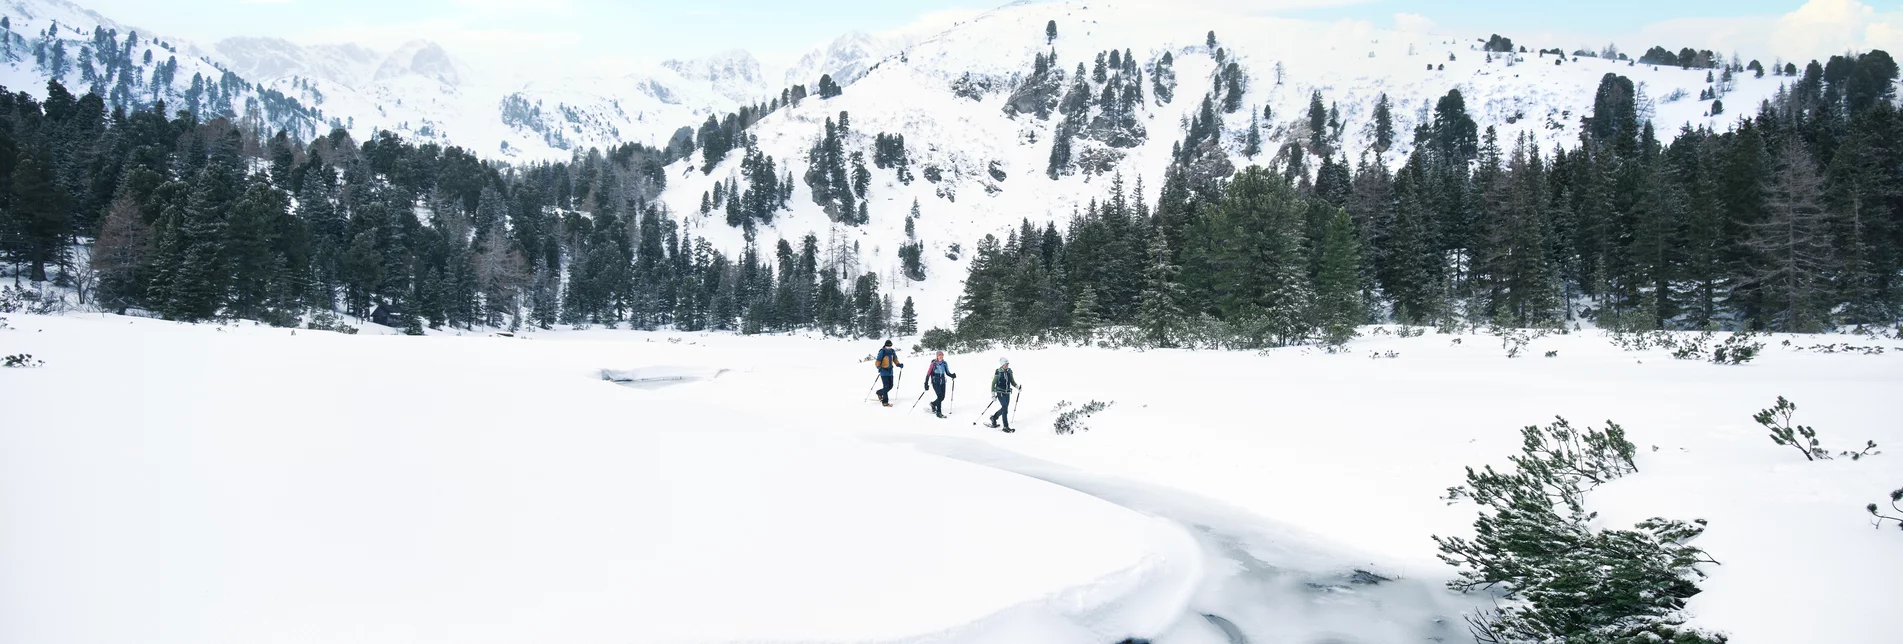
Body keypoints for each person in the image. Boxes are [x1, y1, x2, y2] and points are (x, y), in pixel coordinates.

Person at [987, 357, 1020, 432]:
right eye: (1005, 364)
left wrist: (1017, 387)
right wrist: (993, 394)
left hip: (1007, 392)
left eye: (1007, 364)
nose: (1006, 366)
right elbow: (993, 383)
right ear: (1002, 365)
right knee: (1005, 407)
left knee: (1005, 409)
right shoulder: (998, 371)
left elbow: (1012, 381)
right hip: (1000, 392)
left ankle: (994, 418)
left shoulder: (1009, 371)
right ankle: (1005, 426)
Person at [924, 351, 957, 418]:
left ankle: (933, 404)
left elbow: (947, 373)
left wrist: (952, 375)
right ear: (937, 356)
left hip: (942, 382)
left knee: (942, 397)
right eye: (939, 355)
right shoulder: (933, 364)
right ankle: (938, 412)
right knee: (939, 396)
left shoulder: (944, 364)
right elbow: (928, 374)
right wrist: (926, 383)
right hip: (935, 382)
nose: (940, 356)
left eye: (942, 355)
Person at [874, 340, 904, 407]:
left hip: (890, 372)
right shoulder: (882, 352)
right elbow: (877, 362)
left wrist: (899, 364)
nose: (889, 347)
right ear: (885, 345)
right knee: (886, 386)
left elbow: (895, 359)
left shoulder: (892, 351)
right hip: (884, 372)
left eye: (890, 346)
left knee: (890, 386)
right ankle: (885, 402)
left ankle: (879, 393)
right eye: (888, 346)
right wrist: (879, 368)